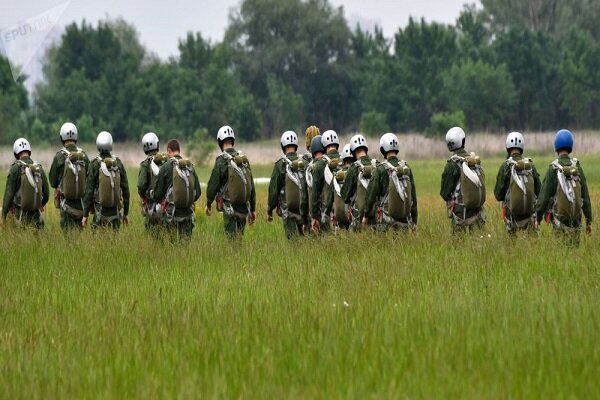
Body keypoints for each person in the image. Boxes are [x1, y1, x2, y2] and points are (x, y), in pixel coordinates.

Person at [536, 129, 592, 244]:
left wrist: (538, 218)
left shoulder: (553, 168)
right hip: (576, 222)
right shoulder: (577, 167)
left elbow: (544, 197)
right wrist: (589, 221)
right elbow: (585, 197)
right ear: (570, 145)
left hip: (558, 222)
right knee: (575, 253)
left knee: (560, 253)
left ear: (556, 146)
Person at [205, 125, 257, 239]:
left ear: (220, 141)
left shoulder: (221, 160)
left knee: (232, 240)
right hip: (244, 206)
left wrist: (208, 203)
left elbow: (213, 183)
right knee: (239, 238)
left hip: (229, 206)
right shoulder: (243, 159)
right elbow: (251, 185)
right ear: (232, 140)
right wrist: (253, 209)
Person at [364, 133, 418, 231]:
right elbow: (413, 196)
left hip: (385, 224)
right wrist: (414, 220)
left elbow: (371, 195)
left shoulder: (380, 170)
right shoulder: (406, 168)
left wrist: (366, 214)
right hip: (405, 221)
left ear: (382, 149)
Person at [440, 127, 486, 233]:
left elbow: (444, 193)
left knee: (458, 245)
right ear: (462, 141)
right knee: (478, 244)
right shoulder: (473, 161)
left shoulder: (451, 165)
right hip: (477, 209)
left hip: (460, 211)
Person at [152, 139, 201, 238]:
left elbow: (157, 194)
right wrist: (186, 200)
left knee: (171, 245)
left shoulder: (165, 167)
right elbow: (198, 192)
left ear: (169, 150)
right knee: (185, 245)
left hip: (171, 214)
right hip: (187, 212)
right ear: (179, 150)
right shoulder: (189, 166)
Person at [494, 132, 541, 233]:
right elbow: (539, 191)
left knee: (510, 246)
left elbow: (498, 195)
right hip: (529, 213)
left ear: (508, 147)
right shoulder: (530, 166)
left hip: (511, 216)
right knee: (533, 244)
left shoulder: (505, 166)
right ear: (522, 147)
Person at [83, 131, 130, 230]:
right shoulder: (118, 163)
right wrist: (126, 213)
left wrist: (85, 215)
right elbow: (125, 189)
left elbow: (89, 191)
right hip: (116, 213)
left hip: (99, 213)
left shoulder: (94, 164)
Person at [49, 122, 90, 230]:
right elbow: (91, 180)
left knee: (68, 238)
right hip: (82, 204)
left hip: (66, 204)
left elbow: (53, 182)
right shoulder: (84, 156)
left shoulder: (59, 157)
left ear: (62, 137)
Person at [267, 131, 308, 239]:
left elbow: (273, 190)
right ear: (296, 146)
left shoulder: (280, 164)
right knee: (306, 241)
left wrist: (270, 209)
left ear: (283, 146)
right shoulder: (304, 162)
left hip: (288, 211)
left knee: (294, 244)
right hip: (305, 210)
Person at [2, 138, 49, 229]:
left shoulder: (15, 168)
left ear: (16, 152)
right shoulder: (38, 168)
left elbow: (9, 194)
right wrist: (38, 204)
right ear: (29, 150)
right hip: (37, 218)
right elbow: (46, 194)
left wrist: (4, 215)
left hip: (20, 218)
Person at [341, 134, 378, 230]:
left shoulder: (353, 168)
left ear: (353, 152)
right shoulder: (378, 165)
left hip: (358, 220)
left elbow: (344, 195)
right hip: (378, 218)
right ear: (366, 149)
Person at [310, 130, 341, 233]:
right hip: (345, 211)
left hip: (327, 213)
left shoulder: (319, 165)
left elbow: (315, 194)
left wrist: (314, 216)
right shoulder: (345, 160)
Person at [137, 132, 168, 232]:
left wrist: (144, 197)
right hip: (166, 205)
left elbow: (141, 185)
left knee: (151, 232)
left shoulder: (145, 165)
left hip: (151, 206)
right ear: (157, 144)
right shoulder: (166, 161)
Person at [327, 143, 354, 231]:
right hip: (353, 217)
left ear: (344, 160)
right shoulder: (356, 175)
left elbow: (329, 201)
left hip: (340, 218)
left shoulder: (336, 176)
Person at [306, 135, 325, 232]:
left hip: (320, 210)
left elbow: (314, 193)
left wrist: (313, 216)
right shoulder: (331, 163)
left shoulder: (313, 167)